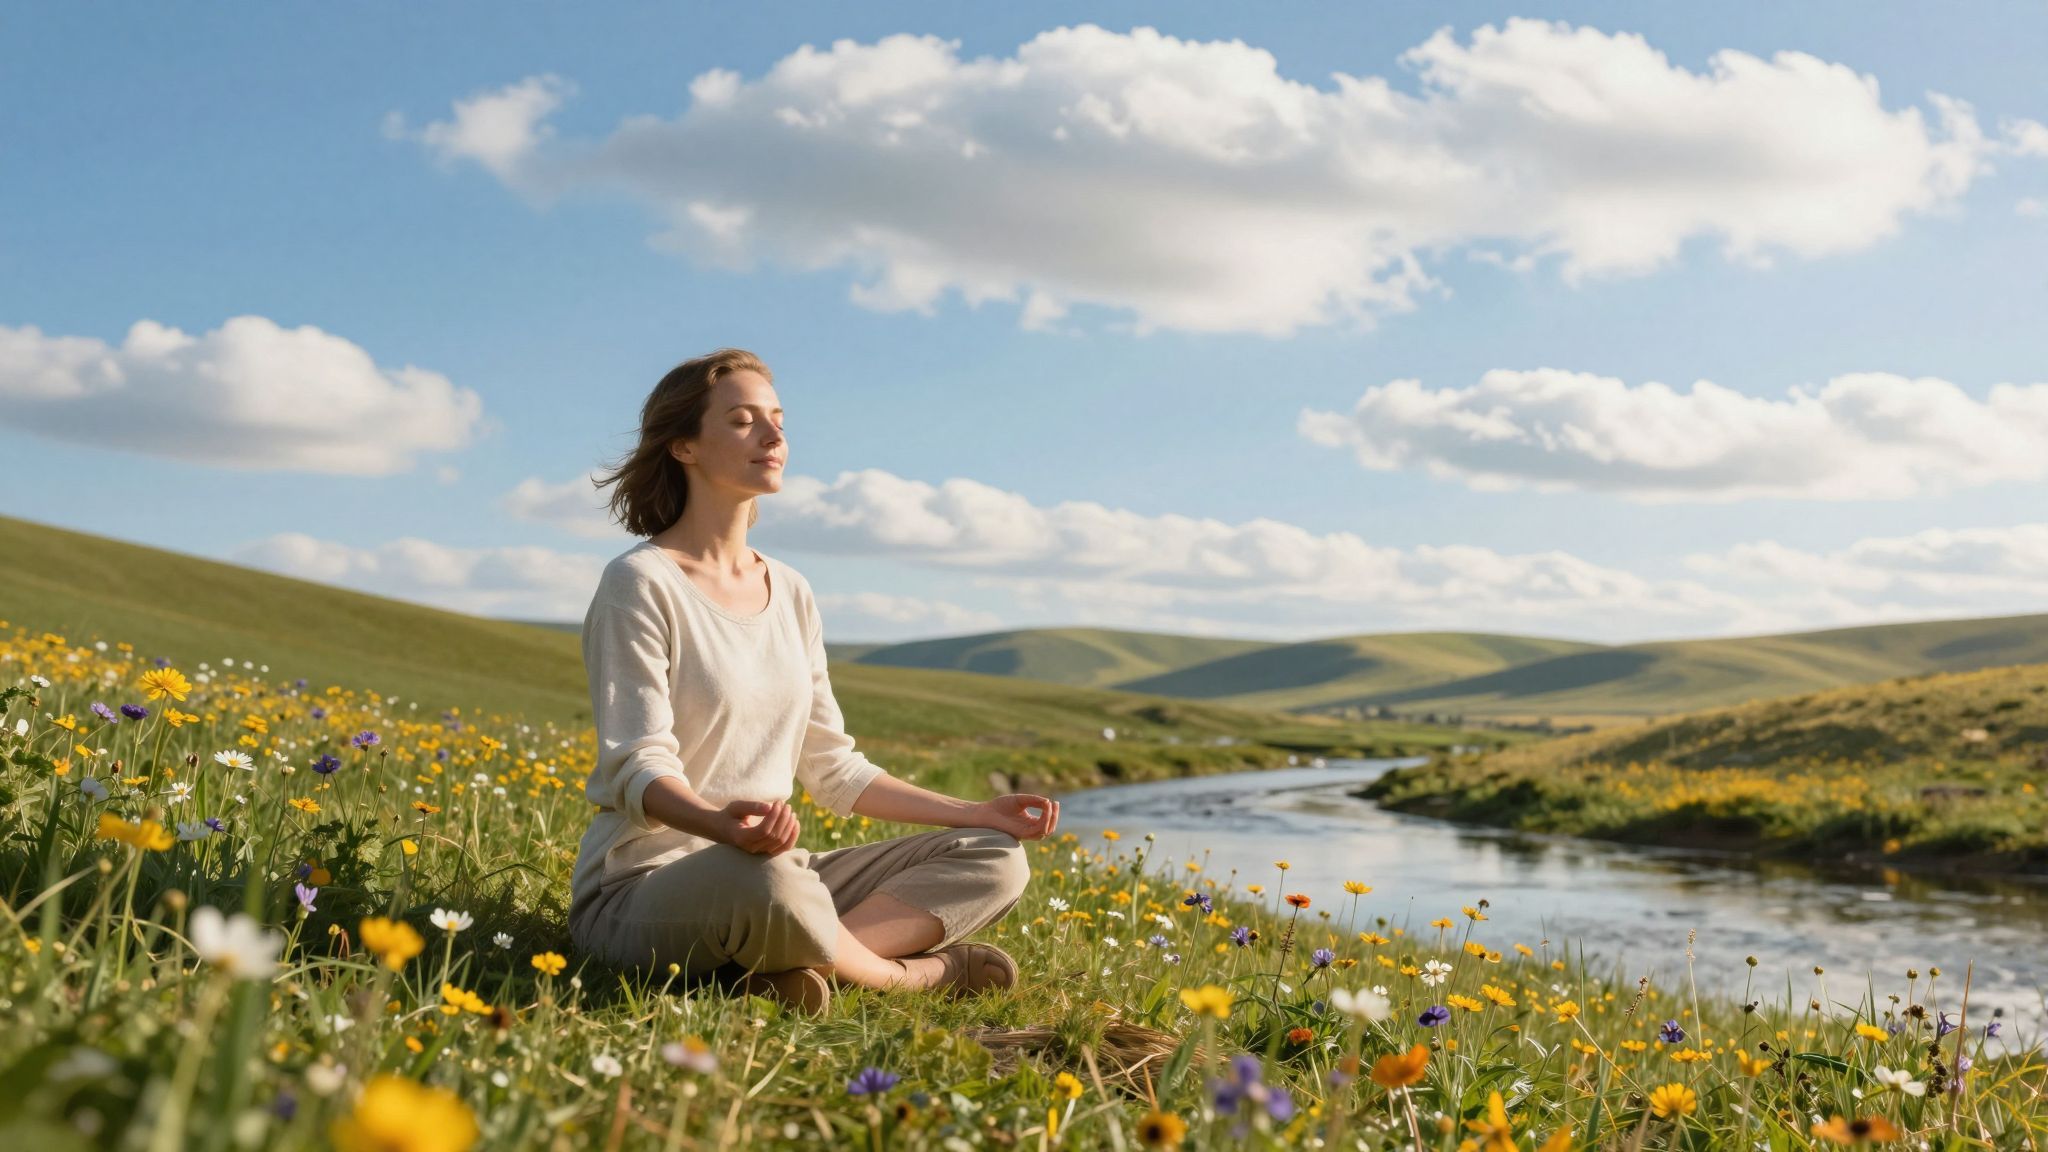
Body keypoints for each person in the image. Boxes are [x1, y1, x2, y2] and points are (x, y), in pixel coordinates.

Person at [566, 347, 1059, 1015]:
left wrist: (974, 812)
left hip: (777, 867)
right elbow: (636, 766)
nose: (773, 436)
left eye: (778, 419)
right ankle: (903, 976)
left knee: (995, 858)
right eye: (743, 420)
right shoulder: (640, 582)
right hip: (645, 888)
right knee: (769, 879)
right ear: (683, 446)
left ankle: (778, 966)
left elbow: (835, 769)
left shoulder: (792, 590)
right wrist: (717, 825)